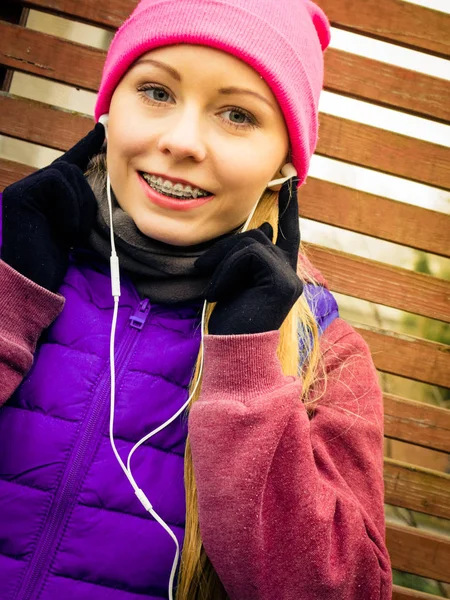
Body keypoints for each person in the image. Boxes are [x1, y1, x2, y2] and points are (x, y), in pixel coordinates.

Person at [0, 0, 393, 598]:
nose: (182, 142)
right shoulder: (14, 263)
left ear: (286, 161)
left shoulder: (327, 359)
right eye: (156, 92)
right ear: (108, 108)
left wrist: (249, 375)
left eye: (237, 114)